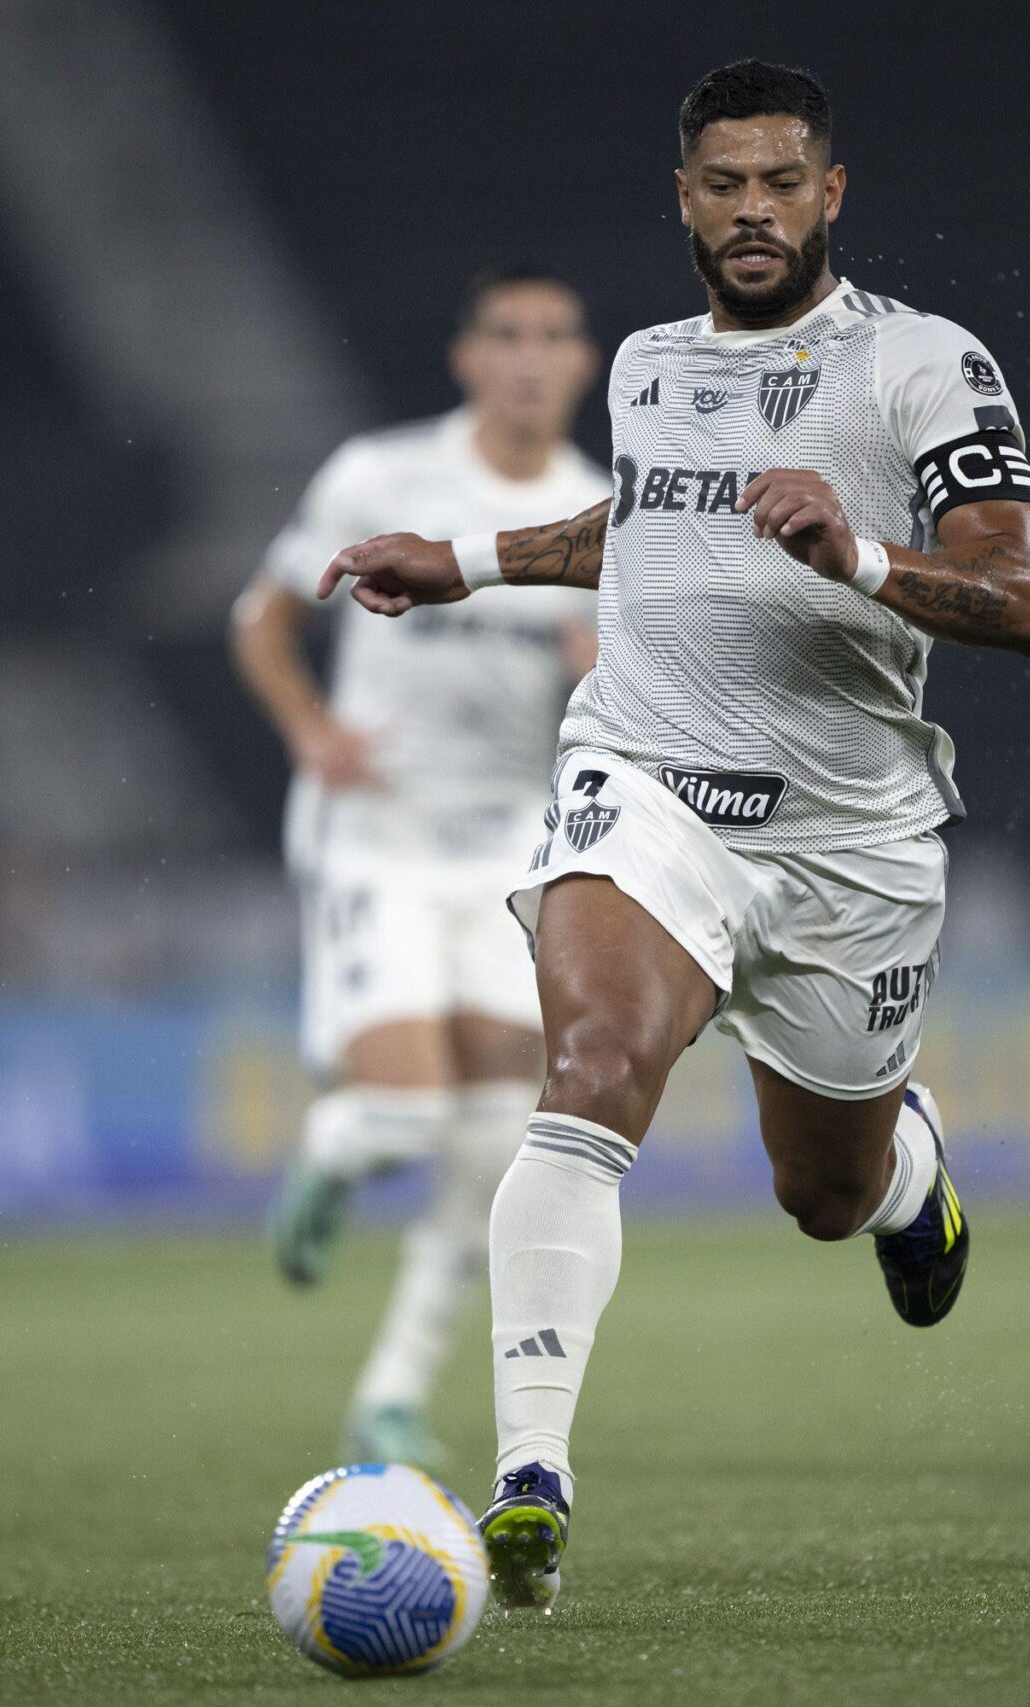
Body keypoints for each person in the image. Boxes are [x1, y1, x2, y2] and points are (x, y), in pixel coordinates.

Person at [323, 61, 1030, 1608]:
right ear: (683, 197)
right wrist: (464, 560)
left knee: (822, 1192)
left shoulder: (922, 364)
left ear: (831, 193)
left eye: (780, 183)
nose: (751, 212)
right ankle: (530, 1480)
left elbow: (1025, 599)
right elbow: (640, 521)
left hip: (850, 841)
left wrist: (855, 551)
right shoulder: (652, 363)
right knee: (592, 1067)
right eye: (723, 184)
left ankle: (907, 1166)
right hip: (648, 779)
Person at [230, 266, 606, 1465]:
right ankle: (335, 1152)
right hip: (378, 840)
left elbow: (616, 678)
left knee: (499, 1143)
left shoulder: (602, 508)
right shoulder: (379, 475)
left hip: (510, 846)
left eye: (554, 336)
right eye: (507, 334)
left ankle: (390, 1395)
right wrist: (309, 730)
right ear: (466, 359)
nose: (531, 357)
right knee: (403, 1116)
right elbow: (261, 616)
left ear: (586, 363)